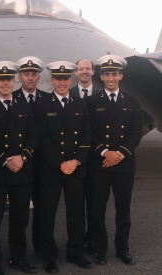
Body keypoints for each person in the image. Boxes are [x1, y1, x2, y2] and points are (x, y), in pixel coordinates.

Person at [34, 61, 92, 274]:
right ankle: (50, 256)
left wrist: (76, 160)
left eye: (66, 78)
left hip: (75, 167)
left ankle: (75, 252)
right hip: (52, 168)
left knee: (76, 212)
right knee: (47, 213)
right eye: (58, 79)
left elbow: (87, 135)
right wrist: (60, 162)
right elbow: (41, 137)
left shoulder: (80, 104)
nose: (62, 82)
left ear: (71, 80)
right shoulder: (42, 104)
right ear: (52, 80)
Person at [0, 61, 38, 275]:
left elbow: (33, 135)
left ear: (14, 80)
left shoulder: (24, 105)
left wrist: (23, 157)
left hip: (21, 171)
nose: (5, 83)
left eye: (8, 79)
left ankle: (18, 258)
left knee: (20, 218)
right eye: (0, 79)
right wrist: (5, 159)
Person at [87, 55, 143, 266]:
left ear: (120, 75)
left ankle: (123, 249)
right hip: (101, 164)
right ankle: (100, 250)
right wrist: (104, 152)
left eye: (114, 74)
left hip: (124, 163)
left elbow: (136, 133)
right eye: (106, 74)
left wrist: (120, 154)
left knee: (123, 209)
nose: (110, 78)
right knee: (97, 208)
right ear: (101, 77)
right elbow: (89, 132)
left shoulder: (132, 101)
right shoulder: (92, 101)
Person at [13, 56, 50, 257]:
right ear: (19, 77)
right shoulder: (12, 98)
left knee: (42, 210)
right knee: (20, 212)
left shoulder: (47, 99)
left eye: (34, 74)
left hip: (43, 164)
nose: (30, 77)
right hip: (22, 164)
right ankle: (18, 251)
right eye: (26, 74)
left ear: (38, 77)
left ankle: (41, 247)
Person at [69, 58, 101, 255]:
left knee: (96, 203)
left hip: (96, 158)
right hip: (77, 158)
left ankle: (94, 240)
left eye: (87, 68)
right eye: (80, 69)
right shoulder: (69, 94)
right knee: (76, 205)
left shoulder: (101, 94)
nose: (84, 72)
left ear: (93, 71)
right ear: (76, 72)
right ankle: (77, 241)